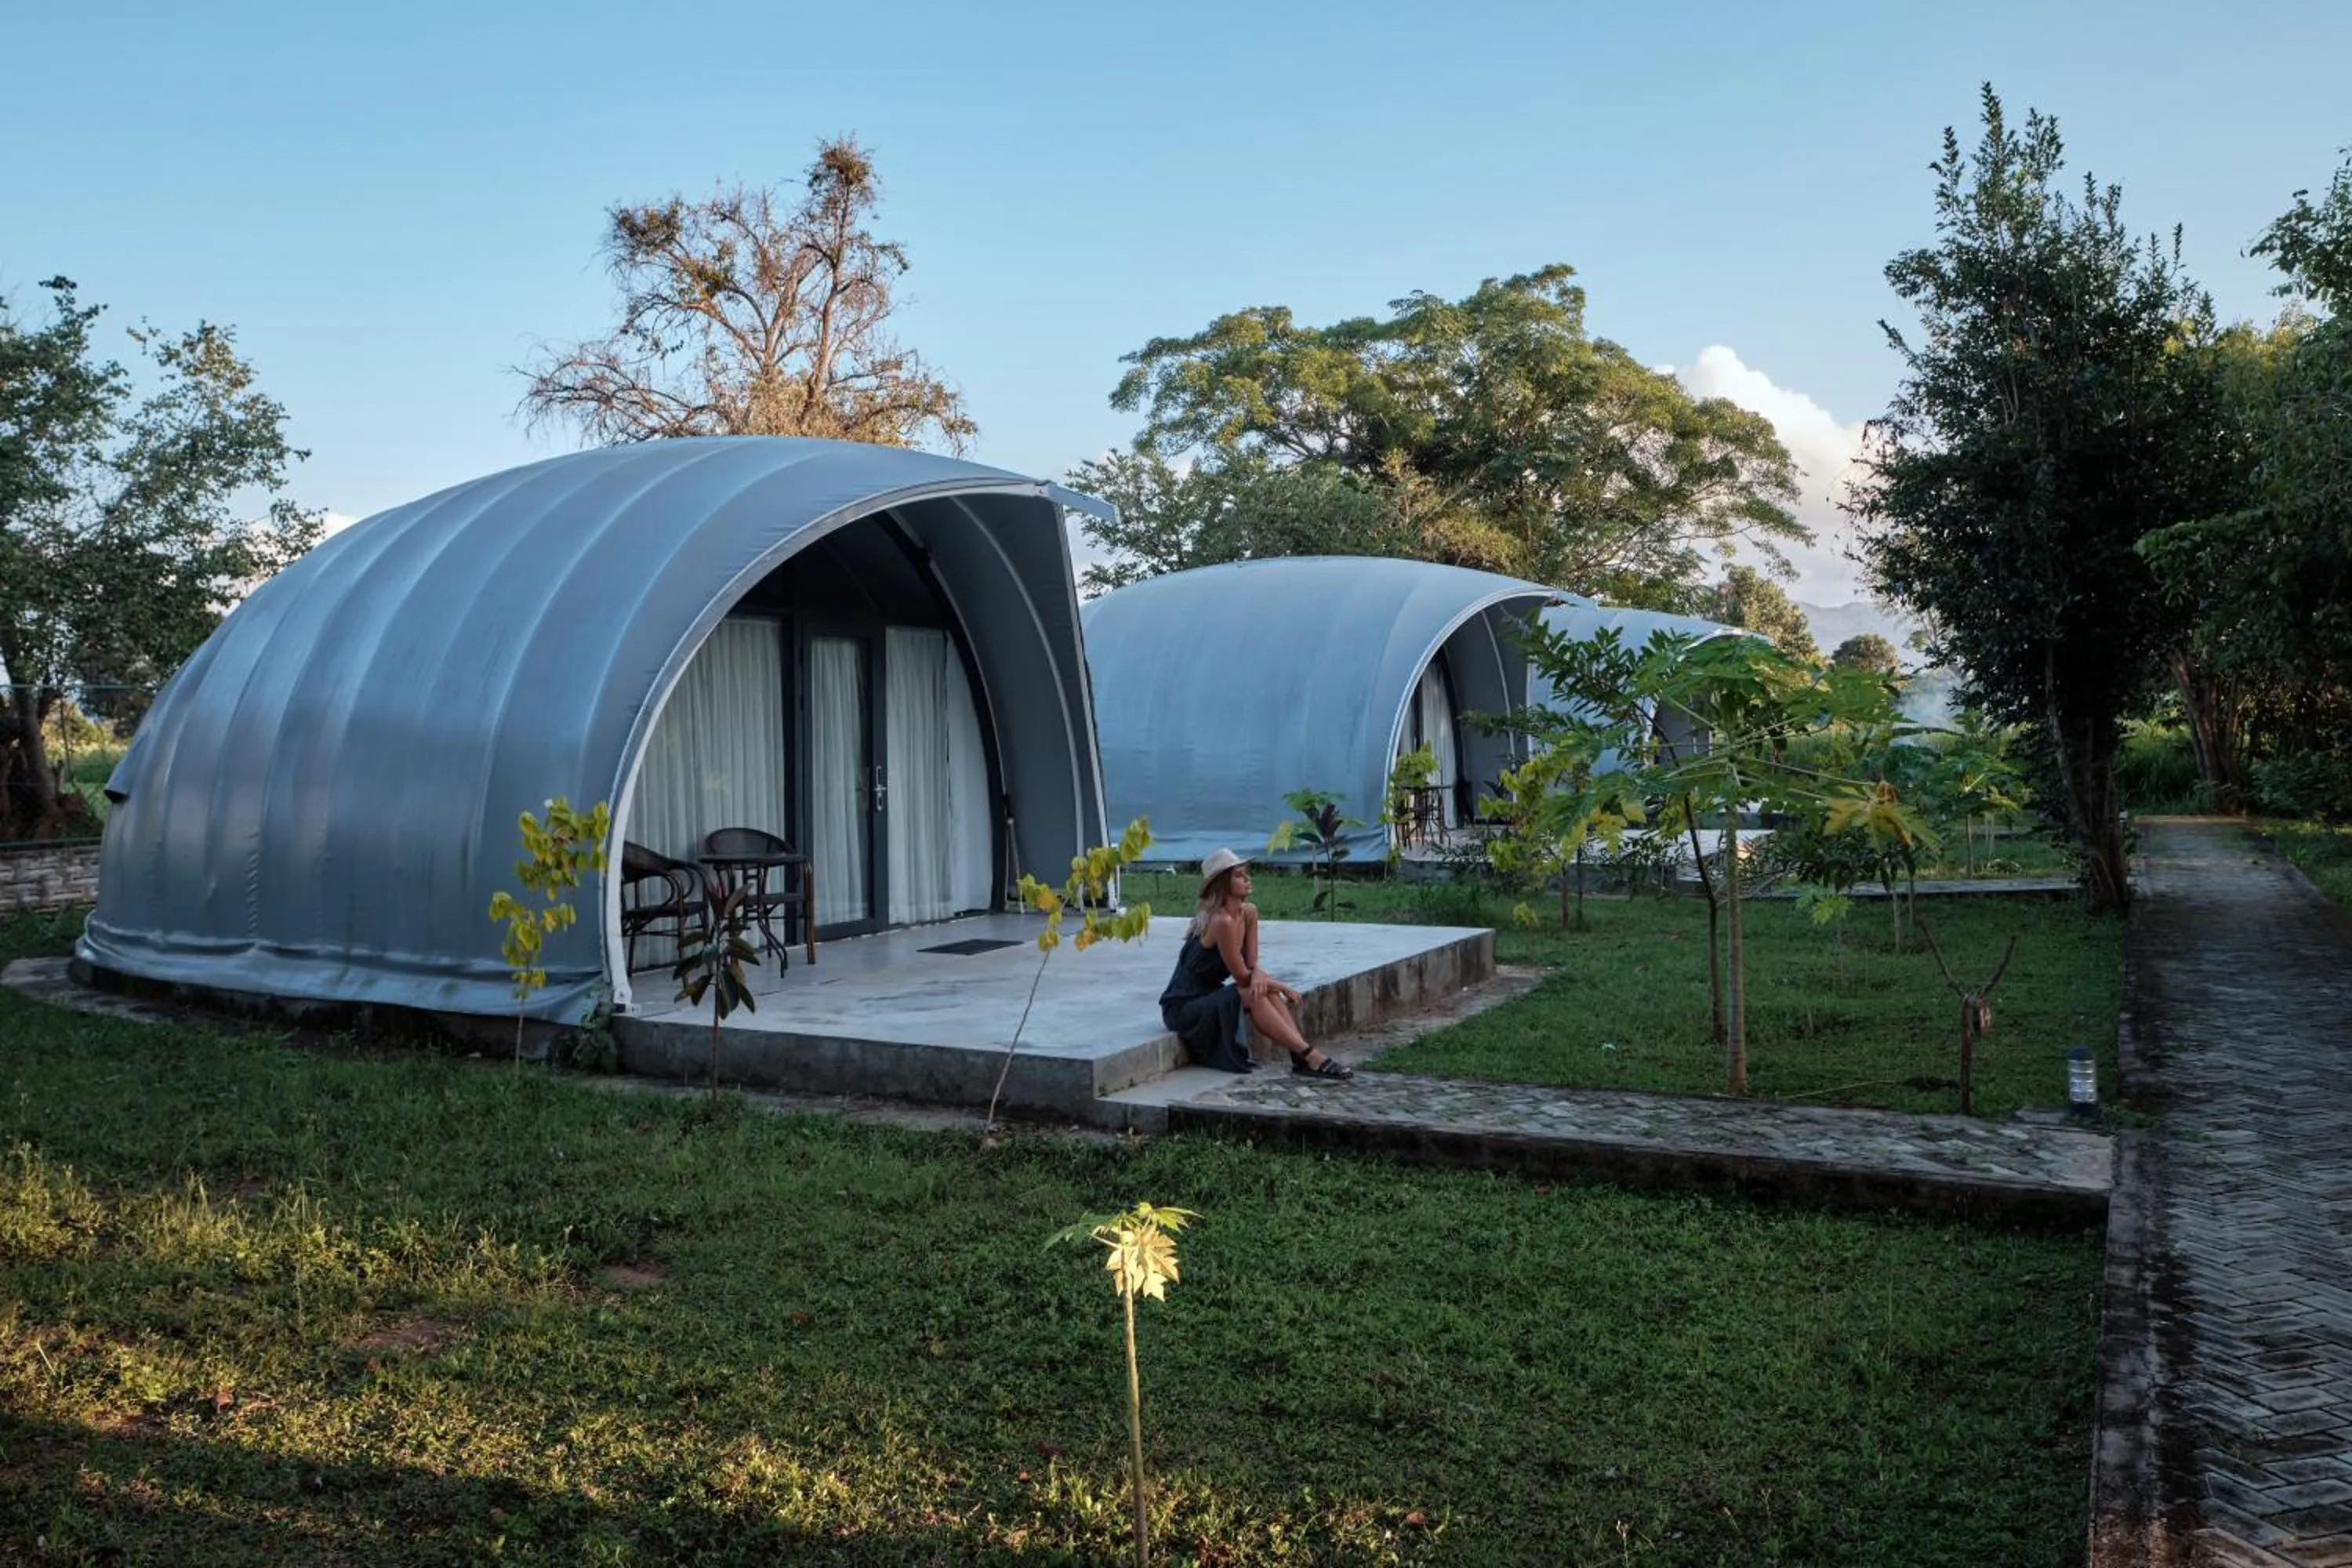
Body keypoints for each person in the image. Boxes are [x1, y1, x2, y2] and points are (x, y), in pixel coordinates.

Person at [1157, 848, 1354, 1079]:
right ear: (1223, 884)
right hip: (1183, 1006)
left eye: (1246, 873)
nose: (1247, 879)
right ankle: (1310, 1055)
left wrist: (1262, 976)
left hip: (1211, 995)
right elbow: (1242, 976)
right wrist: (1281, 985)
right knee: (1257, 992)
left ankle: (1301, 1056)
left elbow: (1251, 964)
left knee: (1263, 990)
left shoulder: (1249, 913)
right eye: (1239, 875)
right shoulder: (1222, 921)